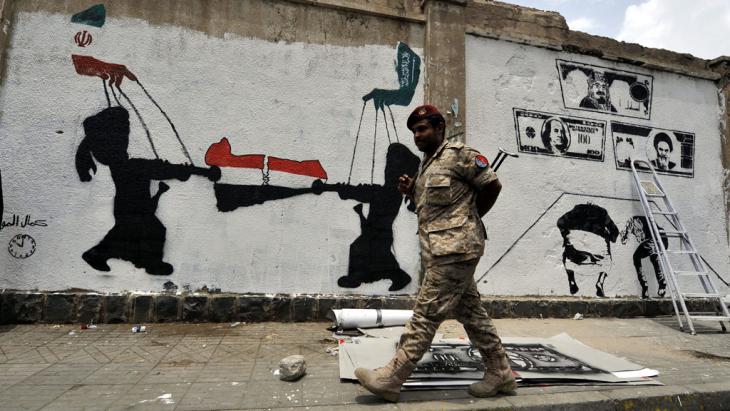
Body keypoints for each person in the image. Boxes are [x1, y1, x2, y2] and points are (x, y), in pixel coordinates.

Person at [354, 105, 514, 402]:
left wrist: (470, 219)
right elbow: (432, 207)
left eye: (423, 129)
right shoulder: (426, 165)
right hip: (440, 250)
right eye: (414, 131)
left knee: (425, 313)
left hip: (456, 250)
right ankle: (500, 372)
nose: (417, 135)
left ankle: (392, 377)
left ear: (440, 127)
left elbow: (492, 185)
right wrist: (411, 190)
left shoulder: (460, 154)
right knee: (471, 313)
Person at [556, 203, 619, 297]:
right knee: (607, 260)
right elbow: (615, 231)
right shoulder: (602, 213)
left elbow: (560, 222)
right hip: (599, 252)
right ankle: (600, 282)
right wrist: (610, 238)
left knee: (567, 252)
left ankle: (572, 280)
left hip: (577, 251)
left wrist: (566, 235)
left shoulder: (575, 212)